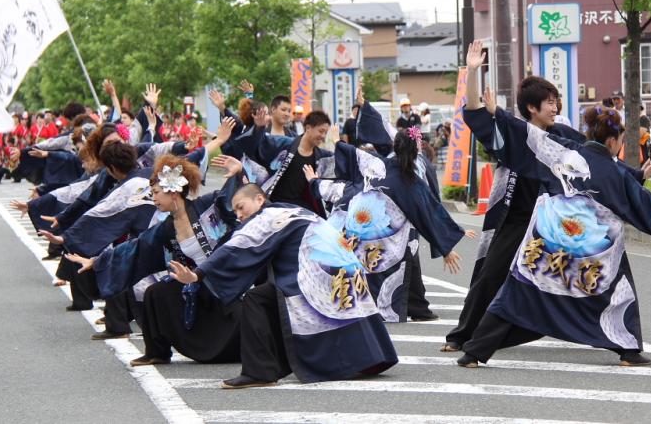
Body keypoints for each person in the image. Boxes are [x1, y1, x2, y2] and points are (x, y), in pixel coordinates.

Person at [456, 85, 651, 369]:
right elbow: (648, 206)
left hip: (548, 242)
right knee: (618, 290)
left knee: (518, 291)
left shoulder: (563, 149)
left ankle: (474, 352)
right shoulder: (614, 172)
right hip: (589, 251)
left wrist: (497, 112)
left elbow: (528, 135)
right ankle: (628, 350)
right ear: (613, 142)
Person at [169, 183, 398, 388]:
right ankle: (369, 358)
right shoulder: (292, 210)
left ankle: (259, 371)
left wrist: (198, 274)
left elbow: (238, 246)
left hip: (317, 272)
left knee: (256, 299)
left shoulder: (268, 216)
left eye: (241, 207)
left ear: (259, 199)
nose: (238, 215)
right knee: (271, 299)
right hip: (345, 266)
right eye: (235, 211)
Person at [442, 43, 588, 354]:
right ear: (532, 107)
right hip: (516, 220)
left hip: (551, 225)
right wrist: (472, 71)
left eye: (557, 101)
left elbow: (593, 160)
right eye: (550, 102)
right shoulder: (511, 134)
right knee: (489, 275)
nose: (555, 108)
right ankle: (462, 336)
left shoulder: (562, 135)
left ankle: (605, 335)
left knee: (574, 277)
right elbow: (474, 112)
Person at [65, 154, 243, 365]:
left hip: (226, 280)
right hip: (195, 282)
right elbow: (136, 248)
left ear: (173, 191)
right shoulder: (167, 228)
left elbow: (232, 201)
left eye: (156, 192)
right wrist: (96, 261)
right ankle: (157, 352)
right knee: (156, 293)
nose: (153, 198)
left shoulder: (206, 206)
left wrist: (237, 174)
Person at [305, 123, 472, 323]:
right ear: (417, 151)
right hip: (386, 238)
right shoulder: (411, 181)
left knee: (363, 271)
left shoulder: (376, 164)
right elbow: (429, 212)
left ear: (395, 146)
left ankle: (373, 307)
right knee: (390, 268)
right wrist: (446, 247)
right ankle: (386, 309)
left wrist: (336, 143)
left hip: (357, 230)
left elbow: (351, 154)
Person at [232, 109, 334, 217]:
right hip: (275, 208)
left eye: (325, 133)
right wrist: (259, 128)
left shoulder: (322, 157)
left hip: (301, 211)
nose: (323, 136)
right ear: (308, 127)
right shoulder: (284, 144)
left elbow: (334, 180)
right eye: (321, 131)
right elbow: (257, 146)